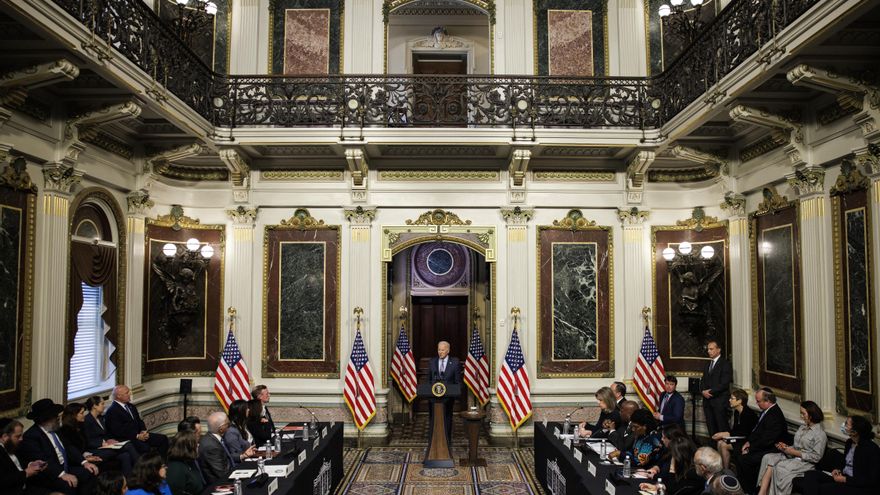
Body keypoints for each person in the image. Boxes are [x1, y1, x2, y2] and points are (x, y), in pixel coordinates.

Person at [18, 398, 98, 495]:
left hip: (66, 466)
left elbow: (69, 447)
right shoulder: (31, 437)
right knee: (68, 484)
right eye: (54, 415)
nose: (58, 417)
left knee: (89, 472)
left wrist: (84, 462)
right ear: (45, 419)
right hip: (49, 474)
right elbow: (43, 461)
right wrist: (62, 474)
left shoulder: (56, 429)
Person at [757, 401, 826, 495]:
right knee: (768, 457)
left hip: (805, 463)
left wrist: (794, 452)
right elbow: (796, 446)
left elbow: (816, 457)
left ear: (811, 414)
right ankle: (762, 492)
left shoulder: (820, 434)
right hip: (792, 456)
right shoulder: (802, 428)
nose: (801, 416)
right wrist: (785, 447)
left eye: (803, 414)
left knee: (780, 468)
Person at [799, 415, 880, 495]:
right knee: (810, 474)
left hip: (857, 486)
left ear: (854, 432)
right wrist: (838, 470)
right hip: (843, 477)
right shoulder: (849, 442)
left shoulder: (872, 449)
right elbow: (847, 464)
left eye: (846, 424)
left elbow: (871, 480)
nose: (843, 425)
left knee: (821, 488)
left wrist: (845, 480)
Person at [734, 388, 787, 494]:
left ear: (767, 401)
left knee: (745, 459)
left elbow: (767, 440)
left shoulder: (775, 416)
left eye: (758, 401)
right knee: (737, 451)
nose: (756, 403)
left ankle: (750, 490)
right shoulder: (767, 411)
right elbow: (757, 431)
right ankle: (742, 487)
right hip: (761, 445)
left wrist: (750, 448)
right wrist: (748, 442)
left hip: (771, 449)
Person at [103, 385, 168, 456]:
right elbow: (119, 431)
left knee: (163, 439)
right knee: (145, 448)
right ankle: (150, 466)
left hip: (140, 435)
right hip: (128, 438)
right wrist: (137, 436)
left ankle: (161, 464)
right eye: (127, 393)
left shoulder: (131, 406)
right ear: (119, 396)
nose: (130, 394)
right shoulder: (112, 411)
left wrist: (143, 431)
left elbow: (139, 421)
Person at [641, 426, 703, 495]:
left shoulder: (692, 473)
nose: (661, 439)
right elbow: (672, 484)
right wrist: (657, 486)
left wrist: (672, 468)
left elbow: (673, 489)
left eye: (664, 437)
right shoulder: (673, 451)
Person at [712, 389, 757, 469]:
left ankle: (726, 471)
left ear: (739, 401)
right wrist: (725, 434)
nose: (729, 400)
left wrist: (725, 434)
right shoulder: (737, 412)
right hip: (739, 438)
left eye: (732, 398)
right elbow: (736, 430)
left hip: (747, 441)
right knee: (719, 442)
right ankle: (721, 467)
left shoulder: (748, 414)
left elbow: (744, 433)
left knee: (723, 445)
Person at [0, 418, 47, 495]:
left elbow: (18, 465)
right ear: (5, 437)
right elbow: (3, 481)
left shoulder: (11, 445)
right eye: (18, 436)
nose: (21, 439)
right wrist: (26, 473)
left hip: (26, 487)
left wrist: (31, 465)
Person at [428, 340, 461, 445]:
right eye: (439, 350)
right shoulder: (432, 362)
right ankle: (434, 441)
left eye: (442, 350)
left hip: (448, 399)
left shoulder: (455, 362)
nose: (440, 352)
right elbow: (429, 381)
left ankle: (446, 441)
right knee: (434, 420)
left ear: (448, 350)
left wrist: (455, 393)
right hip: (434, 399)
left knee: (447, 420)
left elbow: (458, 382)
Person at [701, 340, 733, 437]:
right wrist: (703, 391)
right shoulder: (707, 364)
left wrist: (709, 392)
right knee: (711, 430)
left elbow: (724, 384)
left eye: (711, 349)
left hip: (719, 403)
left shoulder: (725, 364)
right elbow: (703, 381)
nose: (709, 351)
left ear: (719, 350)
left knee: (722, 429)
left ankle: (722, 451)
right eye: (708, 349)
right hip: (708, 402)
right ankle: (713, 450)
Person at [198, 412, 234, 483]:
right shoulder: (211, 446)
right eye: (228, 424)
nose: (230, 426)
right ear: (221, 429)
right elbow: (223, 474)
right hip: (219, 485)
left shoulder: (212, 438)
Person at [166, 431, 204, 495]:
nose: (198, 445)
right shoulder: (175, 469)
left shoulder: (189, 460)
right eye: (196, 443)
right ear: (188, 448)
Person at [223, 400, 256, 465]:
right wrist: (244, 455)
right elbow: (234, 455)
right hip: (241, 465)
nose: (249, 410)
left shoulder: (242, 424)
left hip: (251, 458)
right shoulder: (231, 432)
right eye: (246, 408)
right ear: (241, 412)